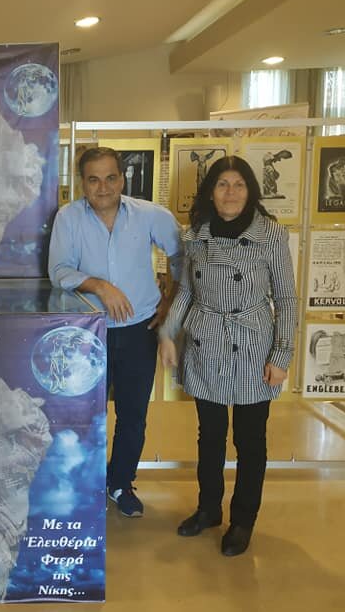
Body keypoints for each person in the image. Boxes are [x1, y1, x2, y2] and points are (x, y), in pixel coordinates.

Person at [159, 155, 296, 557]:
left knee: (250, 439)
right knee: (210, 436)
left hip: (253, 344)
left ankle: (243, 520)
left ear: (250, 191)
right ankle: (208, 509)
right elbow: (187, 290)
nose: (231, 192)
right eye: (222, 184)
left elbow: (286, 298)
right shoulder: (195, 235)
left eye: (239, 184)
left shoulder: (271, 235)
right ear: (210, 192)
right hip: (207, 342)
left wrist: (282, 354)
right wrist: (168, 333)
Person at [49, 146, 183, 517]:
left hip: (140, 330)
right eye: (93, 180)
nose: (103, 187)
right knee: (82, 416)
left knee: (132, 416)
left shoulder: (150, 215)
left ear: (122, 179)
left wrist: (170, 300)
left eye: (111, 178)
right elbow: (59, 271)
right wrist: (100, 285)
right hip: (86, 333)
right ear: (82, 183)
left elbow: (182, 257)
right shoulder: (68, 218)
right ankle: (81, 488)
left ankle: (120, 483)